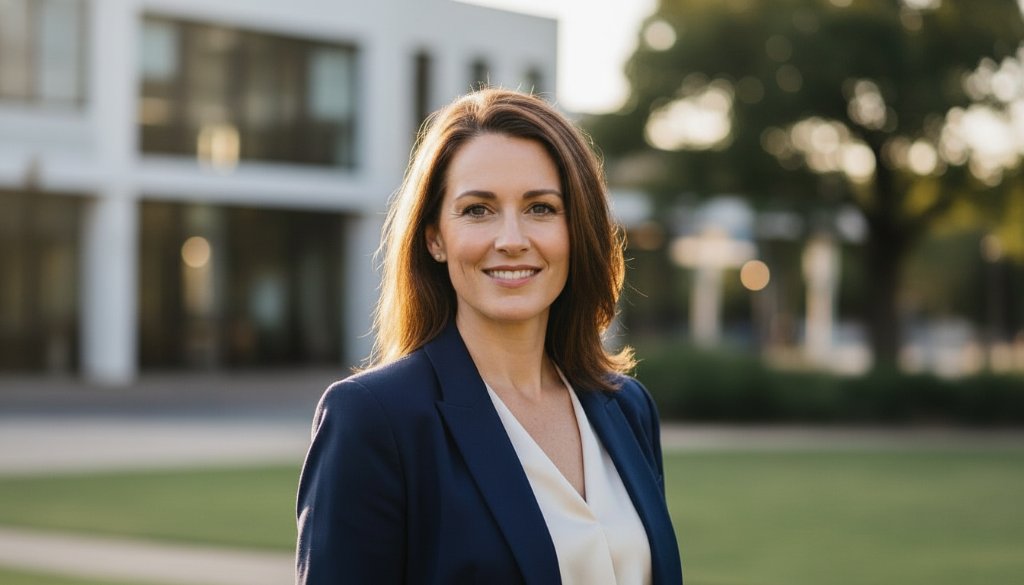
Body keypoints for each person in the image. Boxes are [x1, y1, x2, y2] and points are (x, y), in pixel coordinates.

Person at [296, 88, 683, 585]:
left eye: (541, 208)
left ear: (577, 228)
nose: (511, 239)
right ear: (435, 237)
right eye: (478, 210)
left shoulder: (627, 407)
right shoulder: (374, 419)